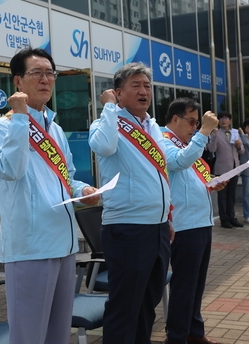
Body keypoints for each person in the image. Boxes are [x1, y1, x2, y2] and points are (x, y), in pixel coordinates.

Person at [0, 47, 99, 344]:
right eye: (37, 73)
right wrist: (22, 118)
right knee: (28, 335)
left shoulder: (56, 129)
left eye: (50, 73)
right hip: (30, 247)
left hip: (64, 244)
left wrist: (83, 190)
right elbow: (10, 169)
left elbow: (67, 177)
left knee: (58, 334)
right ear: (18, 82)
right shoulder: (3, 127)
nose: (46, 79)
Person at [89, 62, 171, 344]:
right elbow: (105, 147)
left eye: (147, 86)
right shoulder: (104, 124)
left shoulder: (153, 126)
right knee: (125, 306)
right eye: (135, 85)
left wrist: (167, 218)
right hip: (128, 228)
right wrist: (109, 107)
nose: (143, 91)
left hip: (157, 227)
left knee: (148, 303)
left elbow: (162, 171)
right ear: (118, 92)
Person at [161, 98, 225, 344]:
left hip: (201, 223)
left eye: (198, 123)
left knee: (196, 285)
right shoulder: (164, 141)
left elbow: (194, 176)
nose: (195, 127)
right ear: (174, 119)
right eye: (191, 122)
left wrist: (213, 181)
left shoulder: (187, 144)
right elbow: (179, 162)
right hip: (184, 225)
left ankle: (194, 331)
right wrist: (205, 131)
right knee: (184, 285)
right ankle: (176, 337)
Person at [207, 111, 245, 229]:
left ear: (230, 120)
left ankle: (232, 217)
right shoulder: (216, 133)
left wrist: (239, 145)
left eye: (226, 118)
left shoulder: (235, 132)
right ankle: (224, 219)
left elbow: (242, 151)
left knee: (231, 196)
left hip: (234, 167)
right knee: (222, 196)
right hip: (222, 169)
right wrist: (213, 136)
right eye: (221, 118)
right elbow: (212, 149)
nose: (224, 120)